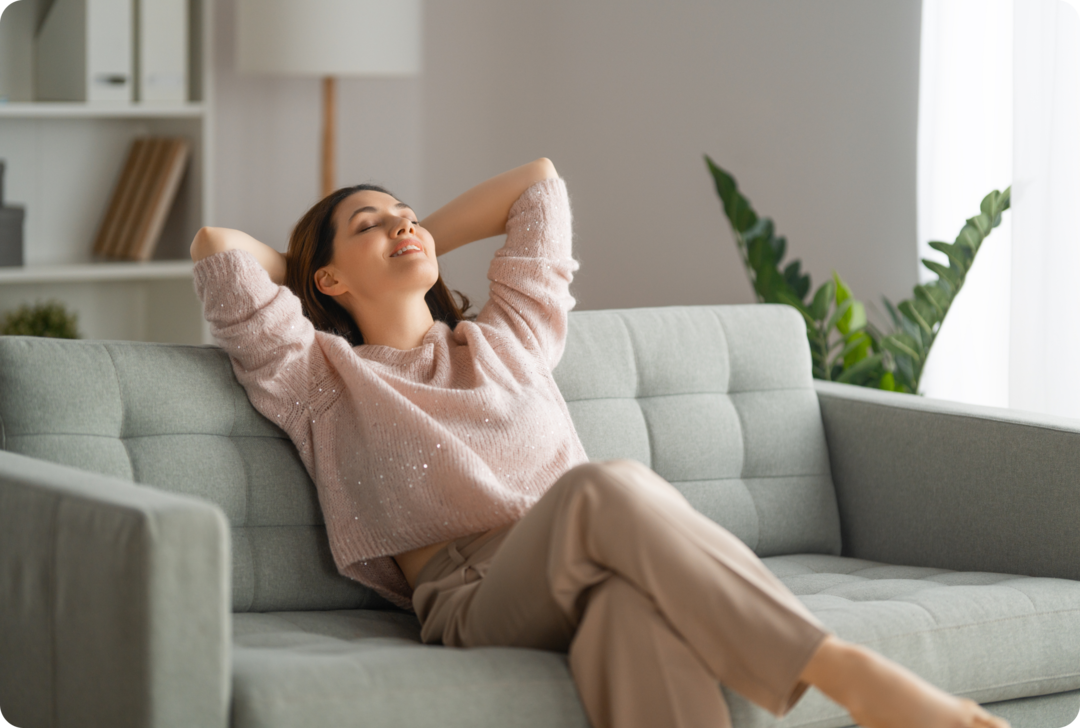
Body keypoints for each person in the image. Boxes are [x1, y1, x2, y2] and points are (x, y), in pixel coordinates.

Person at [190, 158, 1009, 728]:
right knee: (600, 486)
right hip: (474, 592)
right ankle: (847, 674)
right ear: (328, 281)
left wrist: (406, 234)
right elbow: (217, 249)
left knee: (631, 616)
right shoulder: (320, 378)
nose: (401, 222)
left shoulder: (508, 339)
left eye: (405, 213)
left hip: (594, 564)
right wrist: (313, 264)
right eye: (369, 224)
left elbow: (537, 182)